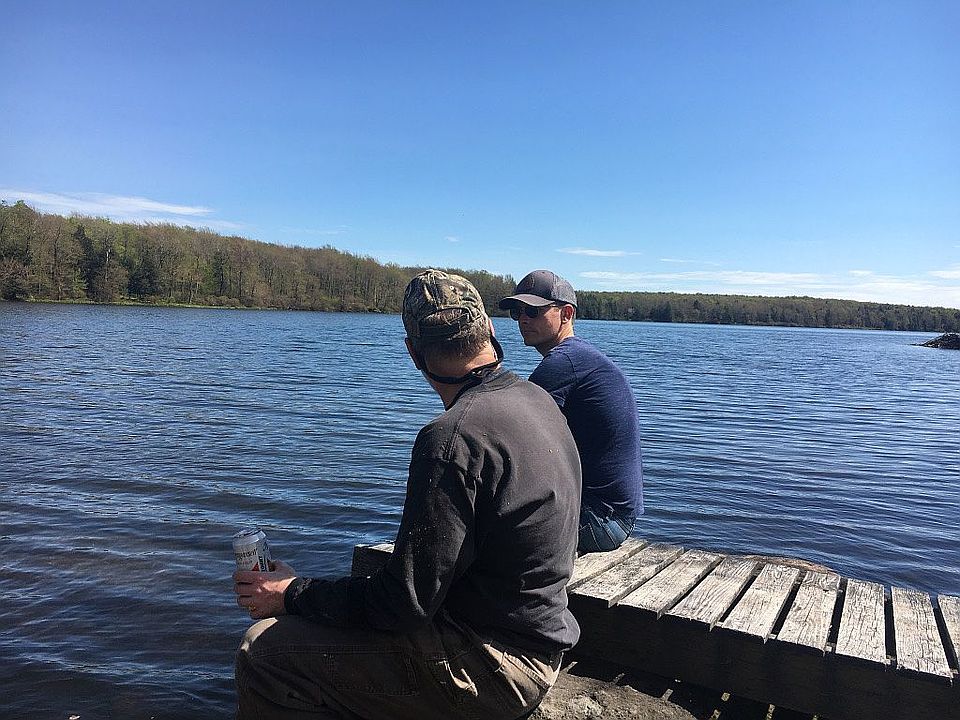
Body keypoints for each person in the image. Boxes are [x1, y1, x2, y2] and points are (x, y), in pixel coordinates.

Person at [233, 269, 582, 720]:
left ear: (412, 352)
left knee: (263, 652)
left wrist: (292, 593)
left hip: (496, 667)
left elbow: (404, 605)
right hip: (536, 633)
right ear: (491, 331)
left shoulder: (453, 438)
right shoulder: (536, 399)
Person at [499, 269, 643, 554]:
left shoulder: (563, 365)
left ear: (566, 314)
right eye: (517, 312)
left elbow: (506, 436)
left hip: (599, 519)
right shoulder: (579, 358)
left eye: (533, 310)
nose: (523, 319)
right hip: (611, 514)